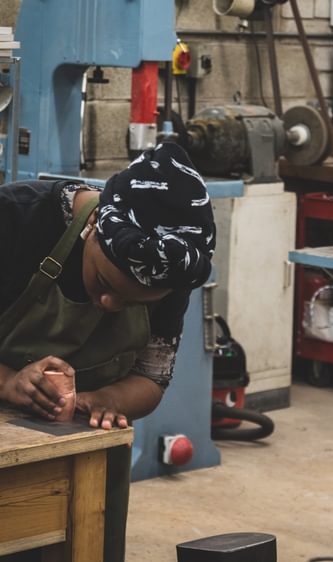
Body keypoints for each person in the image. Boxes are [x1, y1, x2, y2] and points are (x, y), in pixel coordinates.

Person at [0, 141, 215, 562]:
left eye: (137, 302)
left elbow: (152, 378)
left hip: (87, 458)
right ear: (95, 225)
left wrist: (104, 402)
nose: (109, 306)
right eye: (104, 282)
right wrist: (9, 381)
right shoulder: (15, 221)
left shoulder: (172, 264)